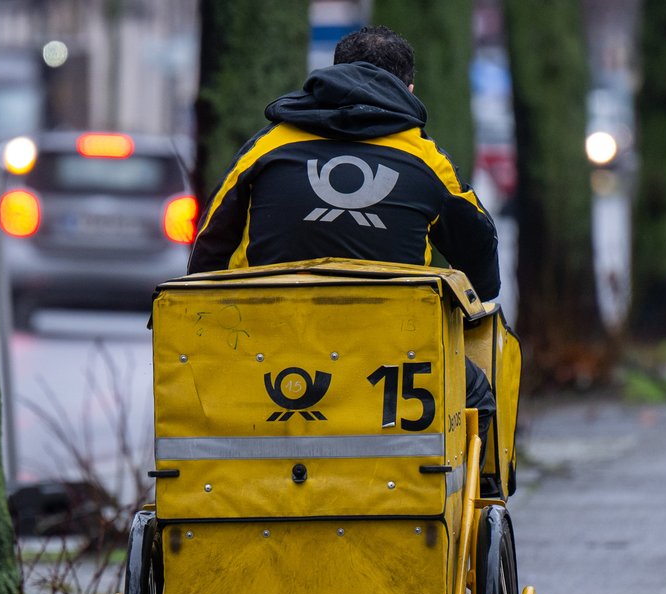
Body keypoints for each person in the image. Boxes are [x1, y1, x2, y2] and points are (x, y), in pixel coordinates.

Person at [188, 25, 497, 446]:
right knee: (479, 397)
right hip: (392, 355)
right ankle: (485, 498)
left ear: (333, 76)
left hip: (267, 349)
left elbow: (208, 247)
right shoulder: (425, 159)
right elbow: (480, 257)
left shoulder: (267, 145)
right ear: (408, 88)